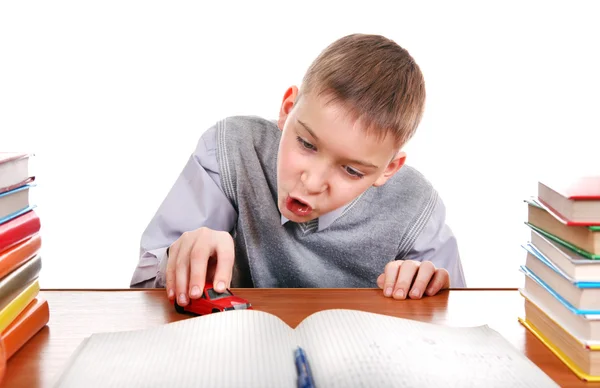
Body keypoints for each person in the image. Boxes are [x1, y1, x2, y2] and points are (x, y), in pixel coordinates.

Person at [130, 33, 466, 308]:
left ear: (388, 170)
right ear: (288, 109)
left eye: (350, 170)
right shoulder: (231, 150)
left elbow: (456, 318)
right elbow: (143, 285)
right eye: (306, 144)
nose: (312, 181)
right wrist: (179, 257)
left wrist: (431, 290)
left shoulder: (416, 207)